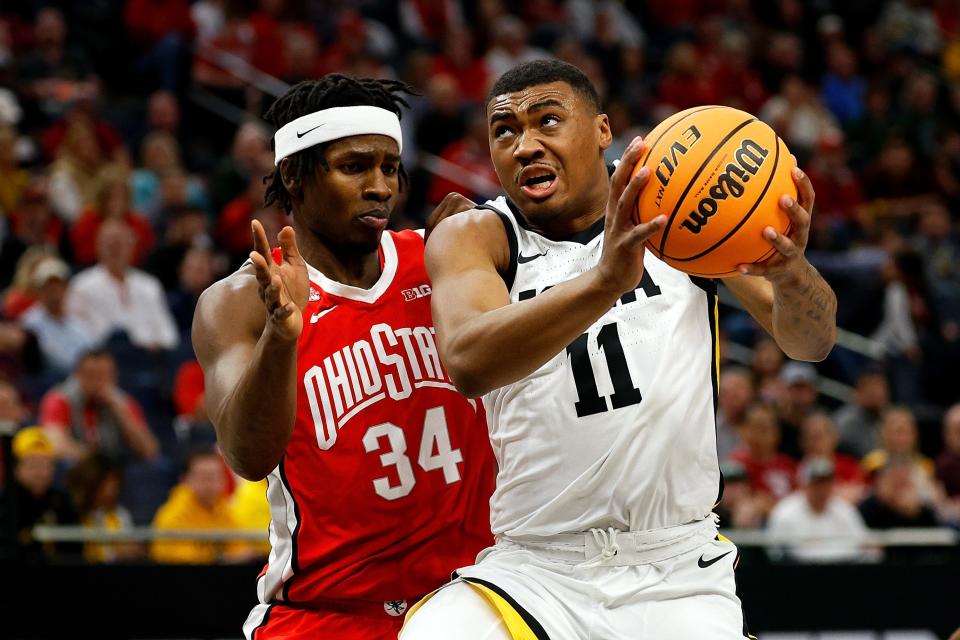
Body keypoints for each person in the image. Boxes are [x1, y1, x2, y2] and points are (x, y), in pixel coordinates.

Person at [402, 59, 837, 639]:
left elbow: (812, 342)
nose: (525, 145)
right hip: (536, 567)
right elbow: (467, 362)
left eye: (547, 122)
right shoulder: (476, 235)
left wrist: (790, 273)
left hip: (675, 565)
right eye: (504, 132)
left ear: (602, 132)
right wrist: (604, 281)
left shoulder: (678, 212)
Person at [192, 75, 494, 639]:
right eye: (355, 167)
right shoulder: (238, 304)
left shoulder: (444, 263)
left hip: (474, 603)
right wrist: (283, 336)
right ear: (293, 175)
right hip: (328, 613)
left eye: (389, 167)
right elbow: (247, 455)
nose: (380, 186)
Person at [38, 348, 159, 464]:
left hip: (116, 469)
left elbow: (149, 451)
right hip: (79, 469)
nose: (98, 383)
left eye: (103, 376)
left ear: (115, 377)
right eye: (91, 376)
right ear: (77, 375)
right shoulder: (60, 398)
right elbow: (54, 443)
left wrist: (120, 412)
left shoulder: (122, 401)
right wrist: (96, 462)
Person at [150, 446, 250, 564]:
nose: (210, 484)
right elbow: (172, 557)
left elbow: (240, 548)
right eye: (204, 477)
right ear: (185, 479)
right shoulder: (172, 514)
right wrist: (221, 558)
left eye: (215, 477)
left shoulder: (223, 508)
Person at [766, 457, 868, 563]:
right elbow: (774, 551)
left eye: (826, 483)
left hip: (841, 568)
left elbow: (863, 545)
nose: (821, 489)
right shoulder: (785, 512)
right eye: (816, 483)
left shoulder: (844, 510)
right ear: (804, 484)